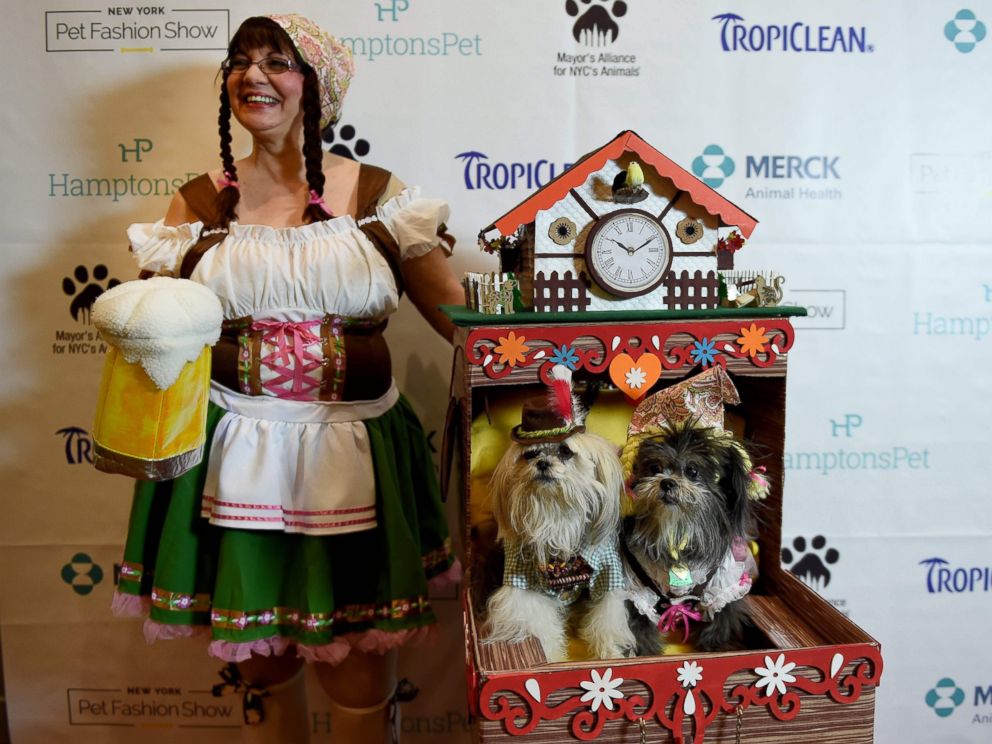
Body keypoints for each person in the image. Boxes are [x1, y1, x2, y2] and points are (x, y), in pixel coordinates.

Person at [110, 14, 464, 743]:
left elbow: (459, 321)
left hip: (354, 450)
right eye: (241, 60)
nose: (253, 75)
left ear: (317, 88)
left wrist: (551, 365)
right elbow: (152, 326)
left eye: (278, 62)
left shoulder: (376, 196)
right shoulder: (199, 204)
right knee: (263, 662)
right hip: (233, 450)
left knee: (355, 664)